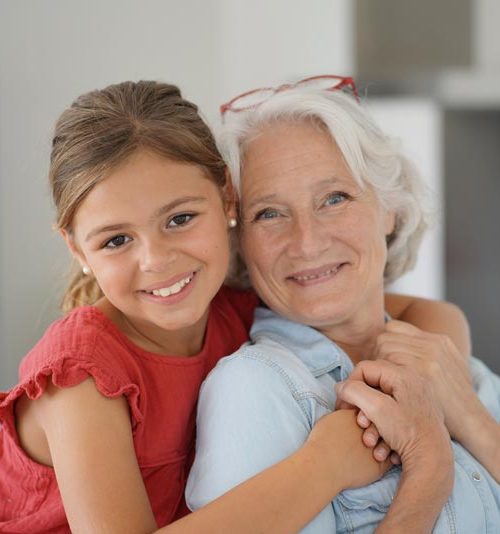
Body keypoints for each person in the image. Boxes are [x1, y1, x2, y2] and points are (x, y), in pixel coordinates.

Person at [0, 80, 474, 534]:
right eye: (116, 240)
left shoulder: (227, 305)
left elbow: (420, 312)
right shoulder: (80, 376)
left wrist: (424, 371)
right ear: (77, 250)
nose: (157, 260)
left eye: (180, 218)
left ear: (227, 198)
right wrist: (326, 464)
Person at [186, 77, 500, 532]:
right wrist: (428, 473)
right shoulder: (255, 389)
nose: (307, 242)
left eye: (335, 199)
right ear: (239, 242)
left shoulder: (445, 359)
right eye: (269, 213)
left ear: (389, 208)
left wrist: (470, 416)